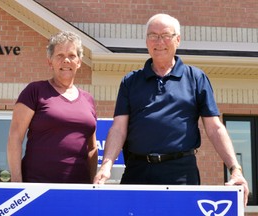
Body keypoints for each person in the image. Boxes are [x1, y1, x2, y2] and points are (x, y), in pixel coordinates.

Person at [94, 13, 249, 205]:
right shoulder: (130, 81)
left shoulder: (196, 78)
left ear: (178, 39)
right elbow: (118, 128)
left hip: (181, 173)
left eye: (165, 35)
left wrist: (235, 169)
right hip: (137, 172)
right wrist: (106, 165)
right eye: (153, 35)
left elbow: (215, 128)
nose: (159, 41)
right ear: (146, 41)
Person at [7, 31, 98, 183]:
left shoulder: (88, 99)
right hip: (37, 187)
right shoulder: (35, 91)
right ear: (50, 61)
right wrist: (17, 182)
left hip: (78, 189)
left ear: (79, 62)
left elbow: (92, 148)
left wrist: (92, 185)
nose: (66, 60)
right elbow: (15, 137)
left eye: (72, 55)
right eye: (60, 55)